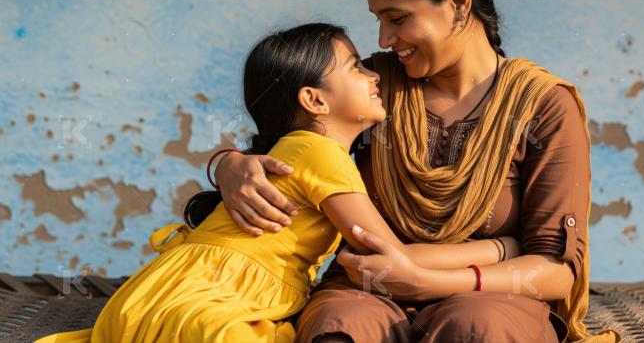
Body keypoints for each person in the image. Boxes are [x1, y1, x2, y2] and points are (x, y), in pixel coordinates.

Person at [214, 0, 620, 343]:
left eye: (398, 18)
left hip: (491, 296)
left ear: (459, 2)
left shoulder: (542, 105)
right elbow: (292, 143)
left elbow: (556, 272)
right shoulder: (372, 87)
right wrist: (230, 166)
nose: (384, 38)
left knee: (475, 325)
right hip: (368, 288)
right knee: (340, 325)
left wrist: (426, 281)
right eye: (378, 20)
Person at [35, 23, 520, 343]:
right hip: (211, 303)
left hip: (166, 294)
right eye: (355, 67)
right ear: (314, 99)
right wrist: (501, 250)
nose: (374, 74)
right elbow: (390, 254)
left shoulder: (304, 151)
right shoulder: (320, 152)